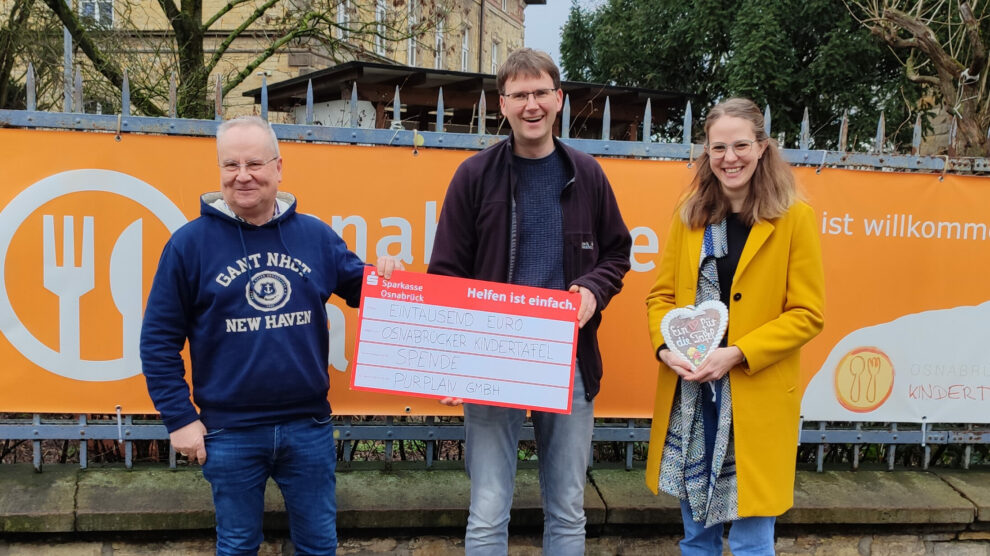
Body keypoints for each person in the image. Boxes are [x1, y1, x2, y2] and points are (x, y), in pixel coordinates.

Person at [140, 115, 401, 556]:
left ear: (279, 168)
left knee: (319, 546)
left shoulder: (314, 236)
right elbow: (158, 339)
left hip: (308, 426)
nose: (242, 176)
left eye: (255, 164)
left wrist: (386, 278)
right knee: (238, 546)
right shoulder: (188, 245)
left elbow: (365, 290)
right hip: (229, 431)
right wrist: (180, 418)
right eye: (231, 165)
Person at [428, 48, 632, 554]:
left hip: (568, 357)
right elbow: (447, 273)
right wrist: (455, 360)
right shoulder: (474, 176)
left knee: (567, 508)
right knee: (488, 509)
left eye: (541, 92)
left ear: (559, 99)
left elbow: (617, 253)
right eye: (520, 95)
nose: (532, 104)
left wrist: (593, 287)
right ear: (503, 104)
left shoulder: (587, 174)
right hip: (491, 355)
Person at [644, 98, 825, 555]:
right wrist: (666, 348)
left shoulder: (794, 218)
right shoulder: (690, 215)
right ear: (706, 151)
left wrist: (738, 352)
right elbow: (661, 299)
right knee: (697, 539)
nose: (730, 157)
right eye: (718, 147)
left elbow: (807, 313)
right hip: (694, 397)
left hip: (753, 394)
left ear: (763, 147)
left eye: (741, 145)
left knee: (751, 542)